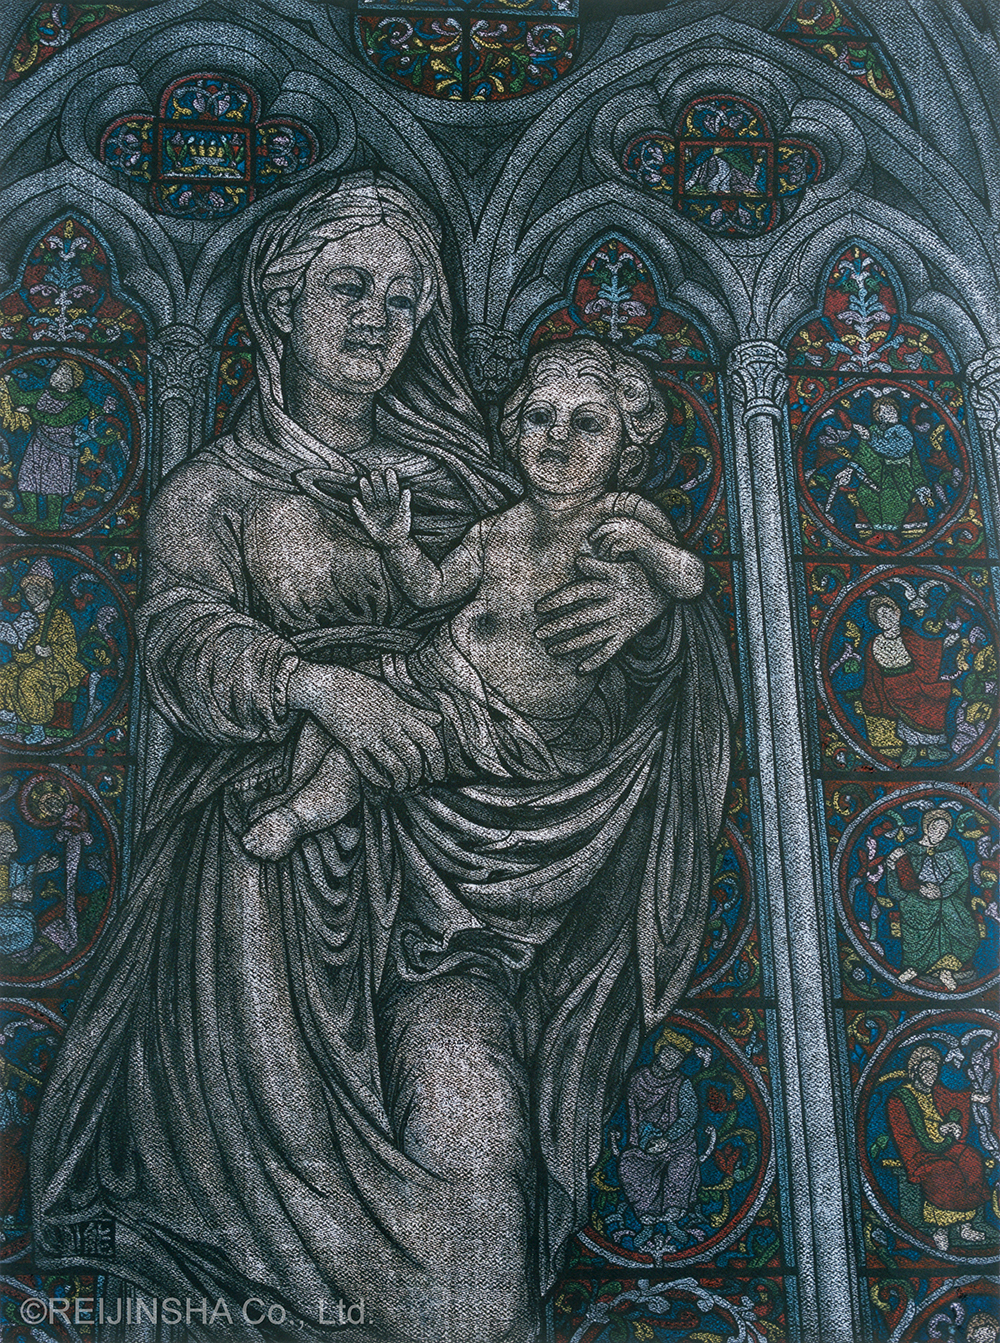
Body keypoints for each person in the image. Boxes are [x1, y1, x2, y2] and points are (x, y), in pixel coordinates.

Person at [31, 173, 735, 1343]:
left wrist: (648, 621)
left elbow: (582, 666)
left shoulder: (468, 483)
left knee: (479, 1201)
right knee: (255, 1224)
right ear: (282, 298)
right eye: (349, 286)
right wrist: (316, 684)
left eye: (404, 298)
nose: (377, 316)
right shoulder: (216, 490)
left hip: (464, 884)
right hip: (265, 895)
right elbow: (182, 639)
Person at [243, 339, 705, 859]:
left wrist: (647, 547)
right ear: (514, 435)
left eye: (587, 423)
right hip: (432, 668)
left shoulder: (624, 514)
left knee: (375, 748)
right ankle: (296, 792)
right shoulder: (494, 528)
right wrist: (395, 541)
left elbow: (689, 579)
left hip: (499, 718)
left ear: (627, 453)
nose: (558, 434)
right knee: (344, 705)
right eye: (540, 417)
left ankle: (301, 814)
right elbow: (430, 590)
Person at [887, 1044, 992, 1253]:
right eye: (926, 1070)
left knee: (971, 1159)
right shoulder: (900, 1097)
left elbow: (955, 1099)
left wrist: (971, 1099)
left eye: (934, 1070)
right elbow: (905, 1133)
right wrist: (939, 1130)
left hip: (944, 1146)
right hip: (919, 1151)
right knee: (945, 1172)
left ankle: (965, 1226)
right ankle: (940, 1230)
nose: (931, 1075)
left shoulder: (936, 1090)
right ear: (914, 1071)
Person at [613, 1030, 701, 1246]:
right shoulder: (637, 1079)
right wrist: (641, 1143)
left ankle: (673, 1218)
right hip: (645, 1143)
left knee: (682, 1166)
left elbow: (690, 1116)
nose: (671, 1060)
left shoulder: (682, 1083)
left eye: (677, 1058)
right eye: (668, 1053)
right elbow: (632, 1114)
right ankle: (647, 1220)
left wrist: (667, 1139)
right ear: (658, 1050)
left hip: (678, 1144)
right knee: (629, 1165)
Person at [886, 808, 979, 990]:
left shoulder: (951, 847)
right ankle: (914, 968)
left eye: (944, 830)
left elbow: (960, 873)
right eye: (936, 828)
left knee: (966, 930)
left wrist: (941, 891)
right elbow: (900, 886)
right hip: (916, 899)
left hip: (947, 898)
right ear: (926, 828)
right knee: (916, 921)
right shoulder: (910, 850)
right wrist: (891, 866)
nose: (940, 834)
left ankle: (945, 970)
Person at [0, 557, 86, 745]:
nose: (30, 596)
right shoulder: (28, 618)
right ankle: (11, 723)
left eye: (35, 591)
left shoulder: (60, 617)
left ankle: (37, 729)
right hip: (31, 664)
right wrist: (22, 648)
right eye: (27, 591)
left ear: (46, 591)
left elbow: (70, 648)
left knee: (30, 677)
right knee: (6, 673)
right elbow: (21, 655)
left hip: (57, 669)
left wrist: (50, 651)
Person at [859, 595, 953, 766]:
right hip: (893, 688)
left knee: (935, 699)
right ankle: (911, 748)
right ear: (877, 622)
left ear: (897, 613)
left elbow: (926, 651)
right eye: (880, 617)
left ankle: (932, 748)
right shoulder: (874, 643)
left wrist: (944, 643)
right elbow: (872, 673)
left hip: (916, 681)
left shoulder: (907, 634)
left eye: (888, 613)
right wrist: (872, 699)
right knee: (905, 719)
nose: (886, 619)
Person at [0, 359, 92, 530]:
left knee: (54, 483)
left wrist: (32, 412)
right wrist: (9, 380)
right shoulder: (43, 394)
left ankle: (52, 520)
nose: (59, 378)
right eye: (58, 373)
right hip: (38, 443)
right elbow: (19, 398)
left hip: (60, 446)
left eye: (66, 375)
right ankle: (30, 514)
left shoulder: (81, 402)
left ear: (75, 382)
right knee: (27, 476)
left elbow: (58, 420)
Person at [837, 394, 931, 540]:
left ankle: (890, 532)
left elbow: (900, 453)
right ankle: (878, 531)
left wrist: (870, 439)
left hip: (900, 476)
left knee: (892, 496)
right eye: (886, 411)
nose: (891, 414)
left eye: (893, 410)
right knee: (865, 493)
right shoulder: (873, 431)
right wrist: (848, 470)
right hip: (876, 475)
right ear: (878, 415)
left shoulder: (903, 432)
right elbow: (862, 454)